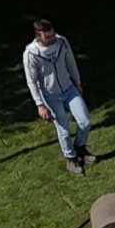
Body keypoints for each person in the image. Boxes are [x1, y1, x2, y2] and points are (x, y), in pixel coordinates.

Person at [22, 18, 96, 175]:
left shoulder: (62, 42)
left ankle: (80, 147)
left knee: (85, 121)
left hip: (69, 89)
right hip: (50, 96)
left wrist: (78, 82)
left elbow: (71, 62)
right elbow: (32, 81)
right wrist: (40, 104)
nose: (52, 39)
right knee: (63, 129)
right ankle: (70, 158)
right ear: (38, 36)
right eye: (48, 37)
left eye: (52, 34)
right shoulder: (31, 54)